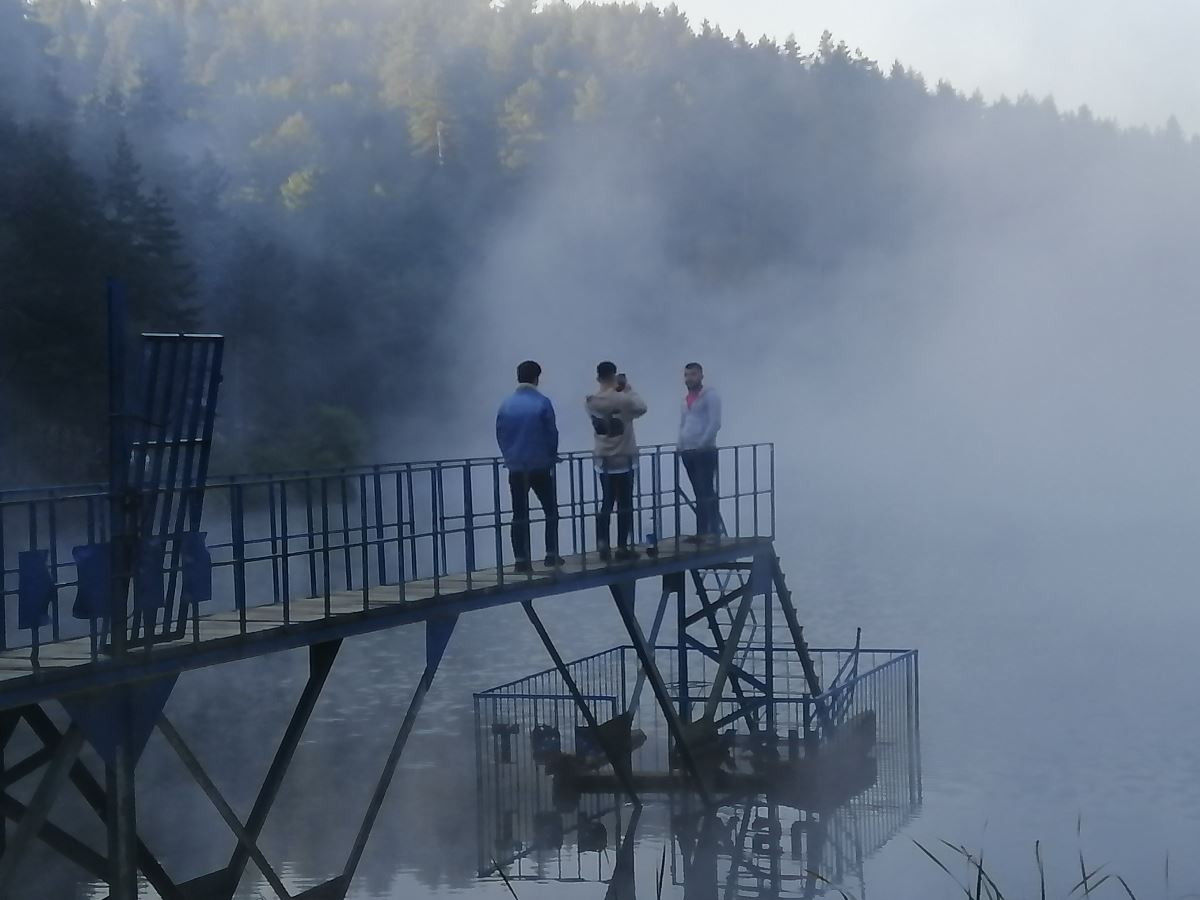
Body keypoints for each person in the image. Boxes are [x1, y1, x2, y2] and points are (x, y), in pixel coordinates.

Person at [496, 360, 563, 572]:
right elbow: (551, 433)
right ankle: (551, 554)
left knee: (519, 513)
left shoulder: (506, 404)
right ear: (537, 377)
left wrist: (508, 456)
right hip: (540, 465)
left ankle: (521, 560)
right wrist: (552, 455)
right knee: (551, 510)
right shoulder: (542, 402)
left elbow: (500, 433)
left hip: (516, 466)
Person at [586, 361, 647, 561]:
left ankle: (603, 545)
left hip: (603, 461)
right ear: (614, 376)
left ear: (598, 378)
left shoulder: (591, 401)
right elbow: (641, 408)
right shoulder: (623, 399)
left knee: (606, 503)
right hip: (625, 458)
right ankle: (622, 547)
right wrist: (628, 388)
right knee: (625, 505)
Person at [678, 362, 721, 542]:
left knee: (706, 490)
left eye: (693, 375)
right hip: (687, 451)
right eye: (687, 375)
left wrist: (703, 444)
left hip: (704, 451)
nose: (689, 379)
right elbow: (683, 423)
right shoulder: (684, 399)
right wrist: (679, 445)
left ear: (701, 375)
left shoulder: (710, 396)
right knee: (698, 492)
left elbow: (715, 423)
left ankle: (712, 530)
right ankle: (702, 531)